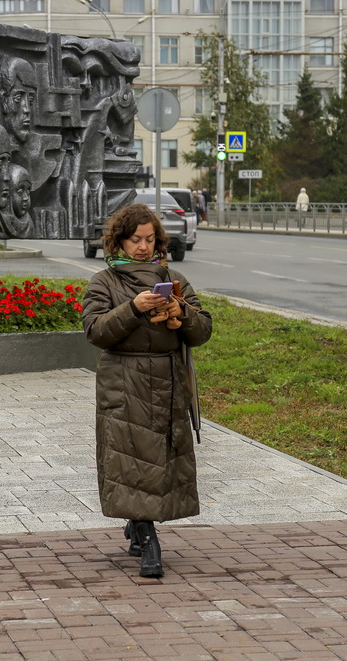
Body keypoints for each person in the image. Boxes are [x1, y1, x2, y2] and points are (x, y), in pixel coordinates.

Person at [82, 203, 213, 578]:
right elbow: (95, 331)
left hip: (167, 381)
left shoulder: (174, 279)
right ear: (119, 242)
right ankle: (147, 536)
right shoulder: (104, 282)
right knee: (131, 459)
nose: (142, 247)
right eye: (135, 240)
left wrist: (180, 312)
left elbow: (202, 331)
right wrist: (134, 308)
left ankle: (137, 524)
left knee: (160, 461)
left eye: (149, 239)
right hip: (123, 379)